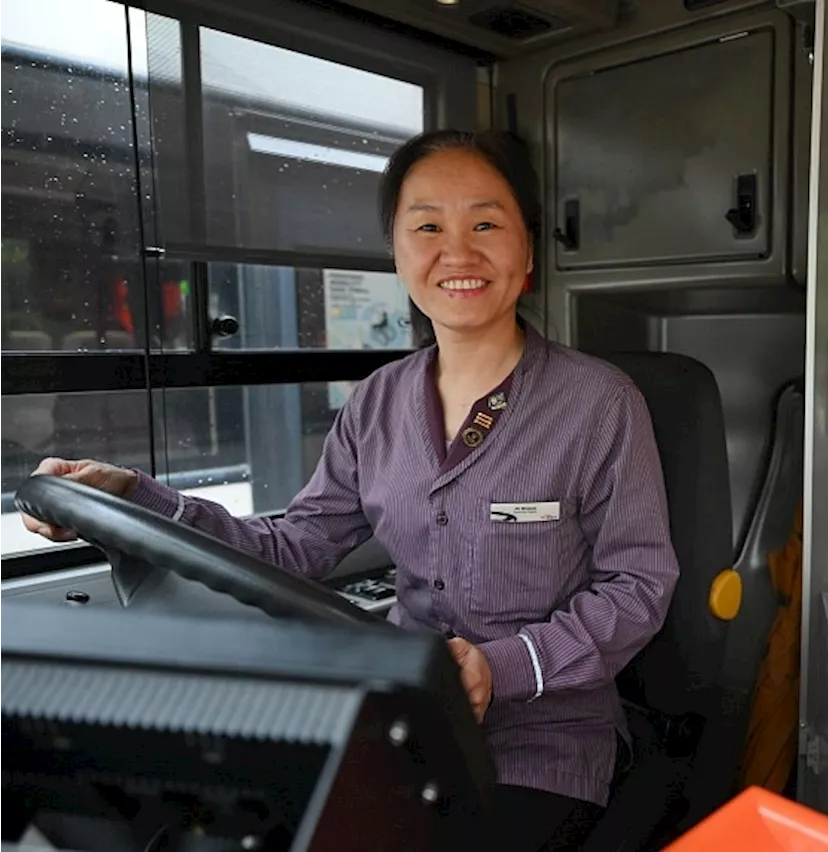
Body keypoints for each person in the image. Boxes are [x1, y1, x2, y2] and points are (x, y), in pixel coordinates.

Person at [21, 129, 680, 850]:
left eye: (486, 224)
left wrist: (504, 664)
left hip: (548, 742)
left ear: (526, 250)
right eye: (427, 226)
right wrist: (133, 498)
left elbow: (638, 586)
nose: (457, 252)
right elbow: (295, 544)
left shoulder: (600, 403)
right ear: (398, 252)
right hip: (404, 722)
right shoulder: (374, 403)